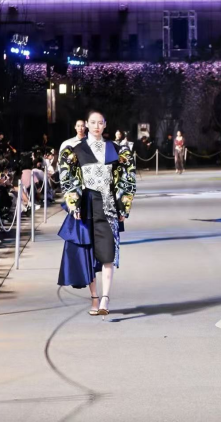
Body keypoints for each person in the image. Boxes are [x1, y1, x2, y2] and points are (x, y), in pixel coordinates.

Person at [57, 110, 136, 317]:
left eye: (100, 123)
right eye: (92, 122)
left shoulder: (116, 149)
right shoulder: (75, 149)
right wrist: (73, 204)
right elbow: (66, 177)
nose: (96, 126)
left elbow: (128, 177)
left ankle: (105, 299)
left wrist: (124, 206)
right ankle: (94, 297)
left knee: (108, 252)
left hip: (108, 203)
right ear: (86, 124)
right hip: (86, 203)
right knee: (89, 252)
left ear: (105, 124)